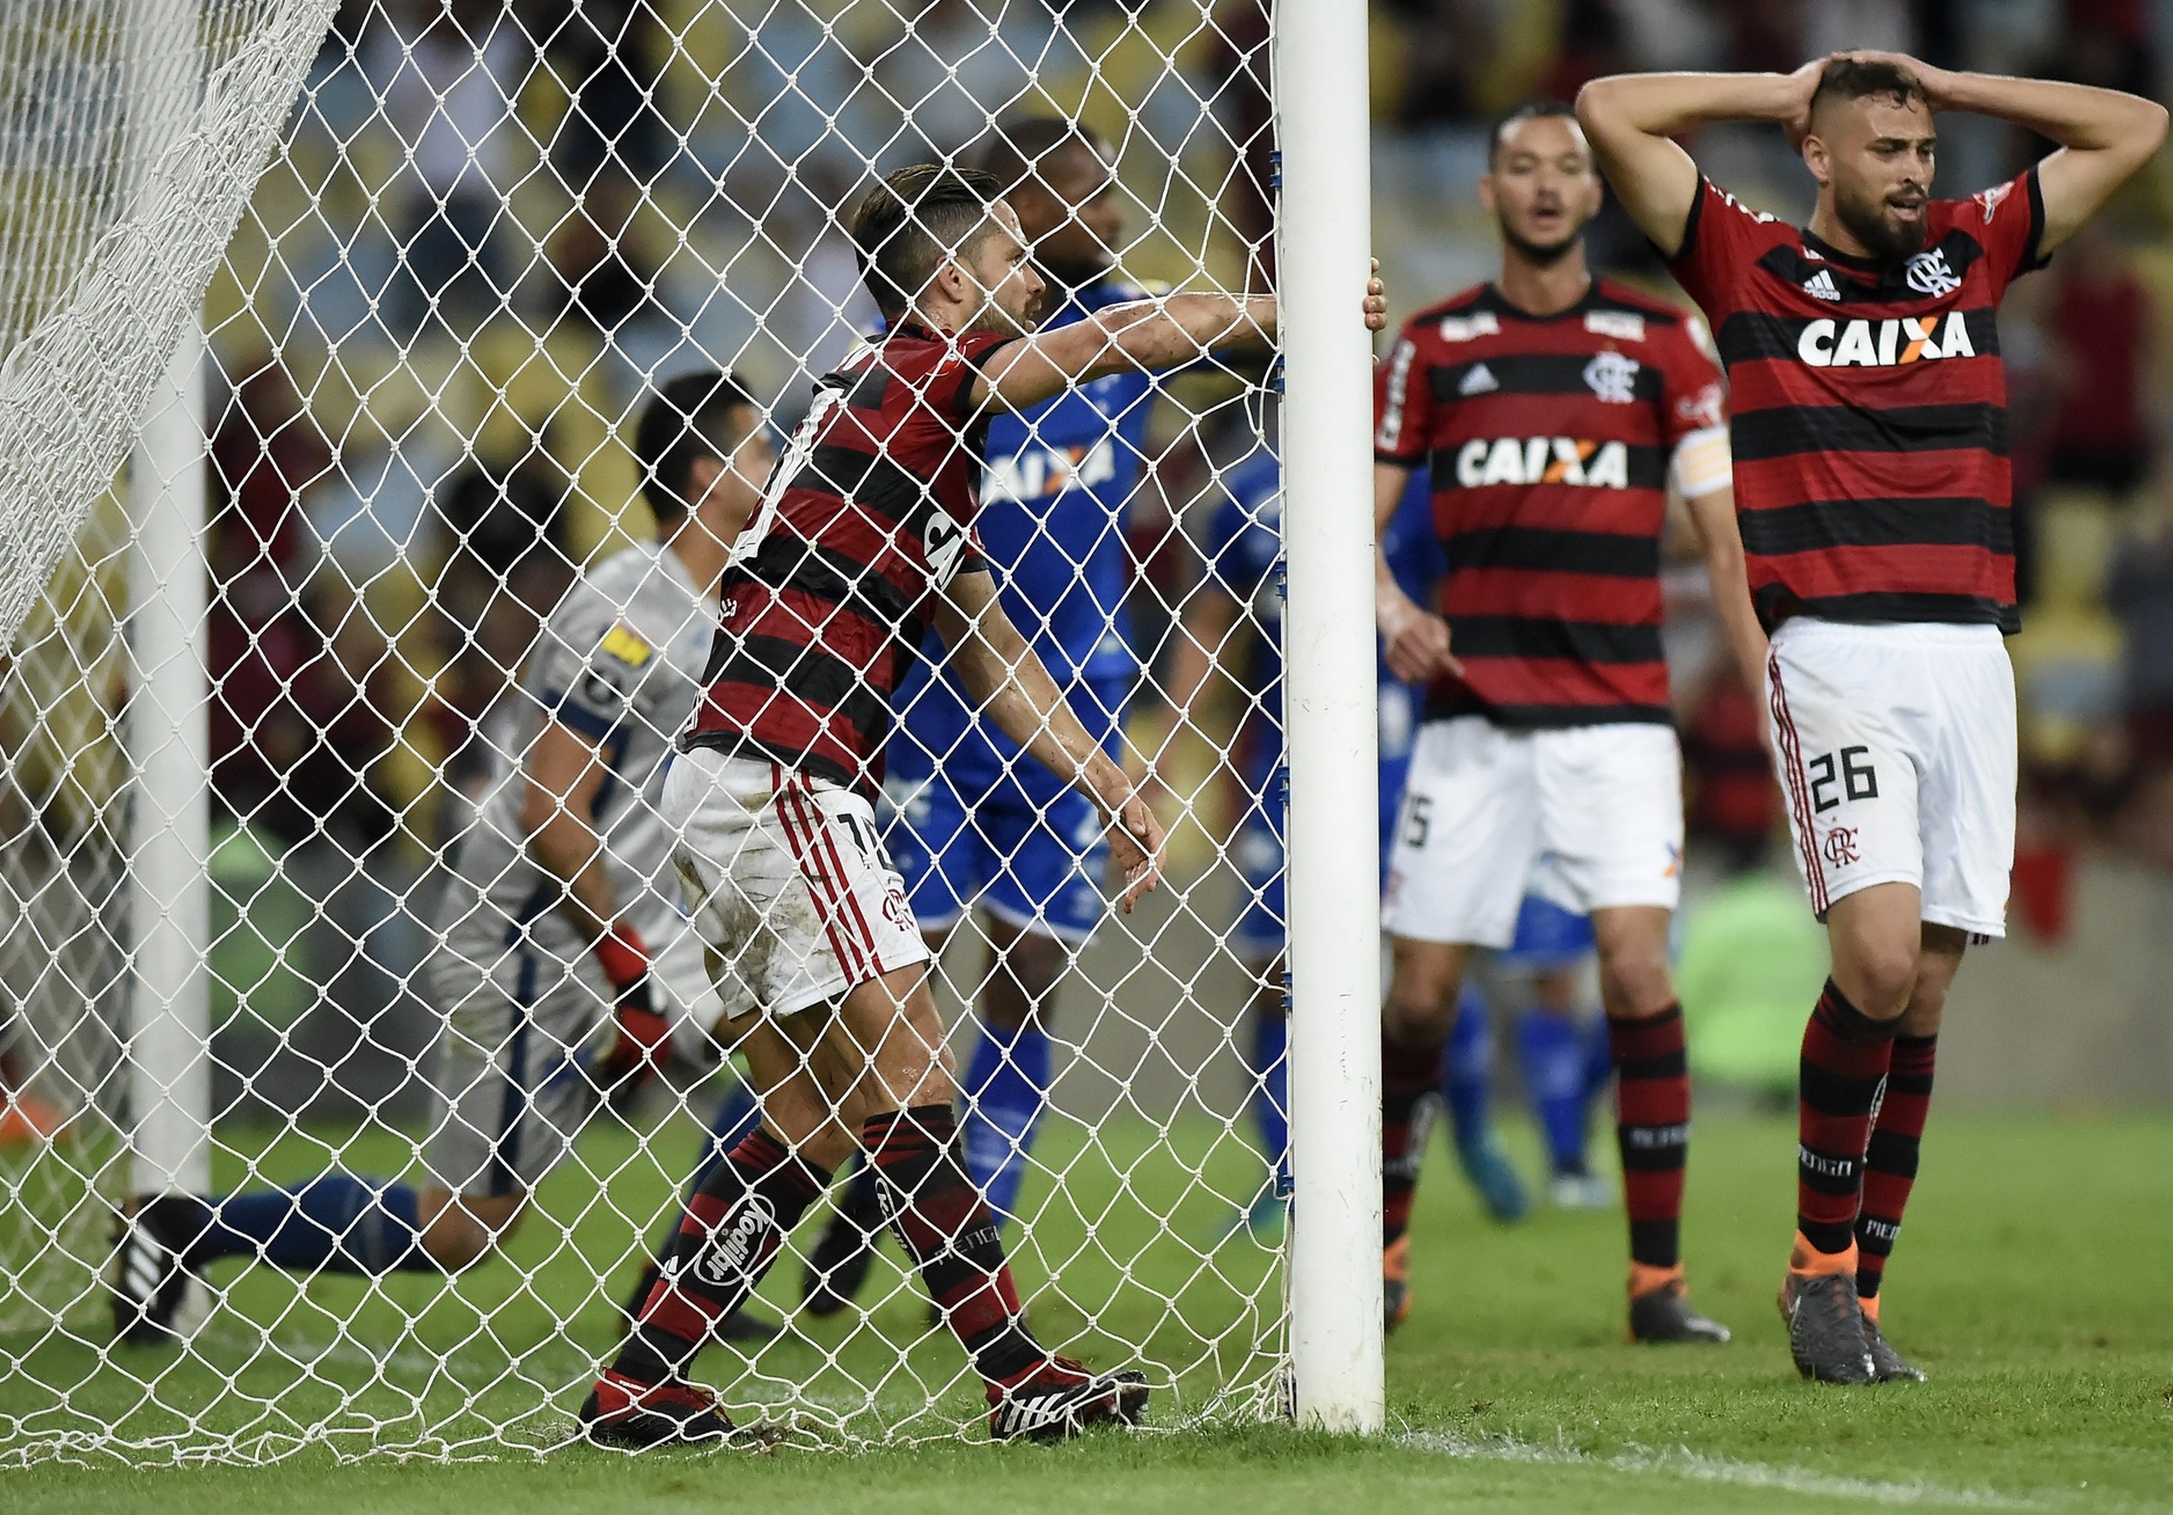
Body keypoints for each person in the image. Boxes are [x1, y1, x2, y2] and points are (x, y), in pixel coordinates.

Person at [582, 161, 1385, 1447]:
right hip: (783, 781)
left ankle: (643, 1379)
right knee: (910, 1068)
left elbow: (994, 649)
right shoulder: (919, 372)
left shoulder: (910, 436)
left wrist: (1114, 775)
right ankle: (1016, 1371)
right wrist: (1277, 310)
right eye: (1015, 256)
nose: (1035, 277)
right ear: (954, 282)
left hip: (730, 781)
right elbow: (1117, 334)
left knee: (809, 1110)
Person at [1576, 51, 2165, 1382]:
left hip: (1972, 650)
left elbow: (2139, 124)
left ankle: (1857, 1295)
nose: (1913, 170)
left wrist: (1953, 83)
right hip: (1835, 647)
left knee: (1931, 987)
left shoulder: (1976, 248)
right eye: (1883, 148)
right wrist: (1776, 89)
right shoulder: (1748, 263)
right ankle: (1817, 1268)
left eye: (1921, 148)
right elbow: (1610, 107)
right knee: (1881, 962)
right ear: (1822, 159)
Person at [111, 370, 777, 1342]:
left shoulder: (738, 598)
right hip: (530, 936)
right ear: (709, 472)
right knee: (465, 1224)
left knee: (808, 1052)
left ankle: (678, 1299)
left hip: (636, 926)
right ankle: (182, 1223)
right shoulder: (630, 613)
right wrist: (629, 975)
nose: (780, 461)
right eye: (762, 447)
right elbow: (552, 807)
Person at [1371, 100, 1770, 1344]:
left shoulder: (1664, 339)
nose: (1548, 186)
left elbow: (1722, 530)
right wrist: (1388, 603)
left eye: (1570, 169)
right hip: (1472, 721)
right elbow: (1353, 510)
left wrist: (1762, 681)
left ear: (1598, 196)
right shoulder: (1434, 344)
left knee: (1636, 970)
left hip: (1617, 721)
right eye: (1523, 168)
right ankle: (1378, 1255)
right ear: (1488, 192)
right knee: (1423, 996)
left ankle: (1657, 1282)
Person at [794, 117, 1161, 1313]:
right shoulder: (929, 359)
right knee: (899, 976)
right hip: (928, 708)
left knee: (1030, 965)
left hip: (1075, 693)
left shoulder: (1118, 335)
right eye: (1087, 190)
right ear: (1008, 218)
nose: (1111, 209)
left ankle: (962, 1210)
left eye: (1112, 189)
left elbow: (1193, 329)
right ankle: (846, 1174)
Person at [1167, 448, 1528, 1236]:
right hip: (1285, 770)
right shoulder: (1247, 494)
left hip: (1401, 763)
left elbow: (1457, 600)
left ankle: (1471, 1135)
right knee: (1271, 970)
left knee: (1425, 963)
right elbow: (1213, 620)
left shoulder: (1413, 489)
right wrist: (1177, 742)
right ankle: (1287, 1173)